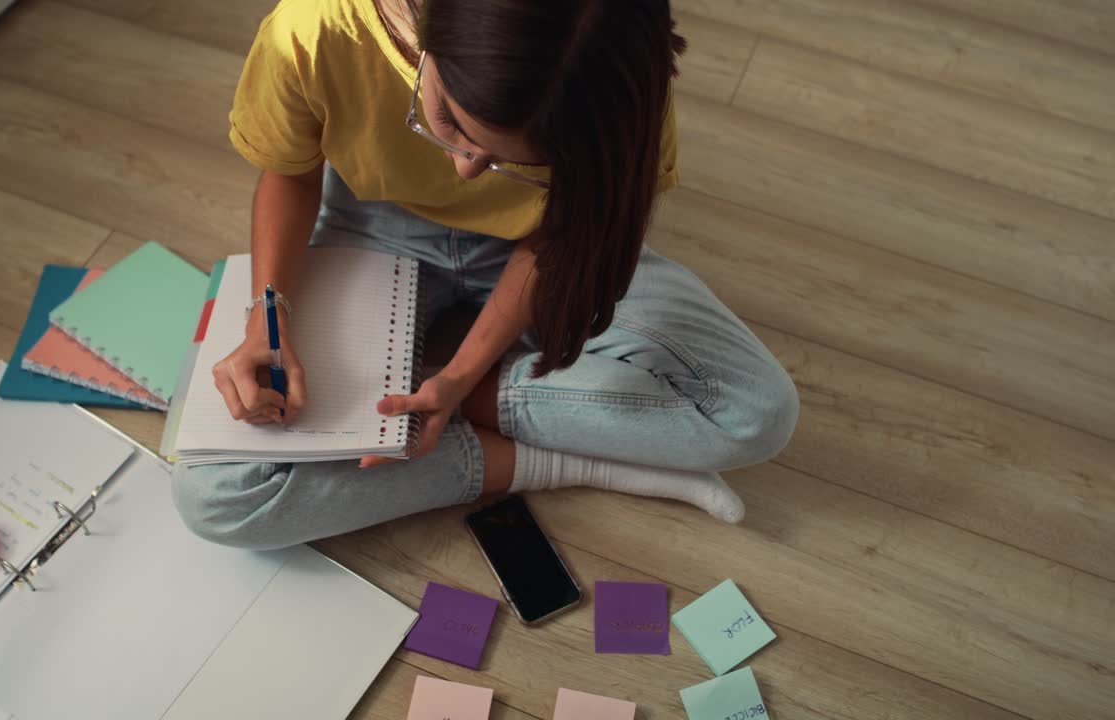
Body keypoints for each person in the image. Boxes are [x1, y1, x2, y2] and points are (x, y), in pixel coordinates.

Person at [172, 0, 799, 550]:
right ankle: (550, 460)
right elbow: (290, 171)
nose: (468, 172)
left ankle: (445, 409)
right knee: (216, 495)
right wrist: (268, 316)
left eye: (518, 162)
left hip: (551, 242)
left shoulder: (614, 70)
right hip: (376, 226)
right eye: (450, 123)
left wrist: (463, 377)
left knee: (755, 414)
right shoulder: (312, 28)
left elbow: (566, 232)